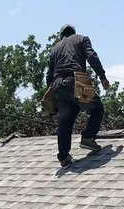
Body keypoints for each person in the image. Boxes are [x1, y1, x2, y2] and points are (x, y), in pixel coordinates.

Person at [45, 24, 110, 168]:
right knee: (97, 109)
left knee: (65, 122)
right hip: (76, 80)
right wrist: (102, 76)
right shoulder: (82, 39)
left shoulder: (54, 49)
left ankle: (63, 157)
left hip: (58, 86)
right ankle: (87, 138)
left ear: (61, 35)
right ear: (73, 32)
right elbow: (92, 56)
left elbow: (49, 75)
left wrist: (51, 98)